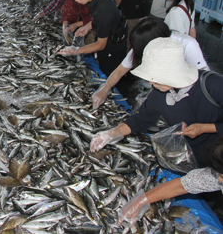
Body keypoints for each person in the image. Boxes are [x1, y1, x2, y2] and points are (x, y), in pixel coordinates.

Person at [90, 37, 223, 167]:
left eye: (156, 78)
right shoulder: (158, 95)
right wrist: (111, 133)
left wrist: (205, 128)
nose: (151, 83)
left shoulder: (213, 85)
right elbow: (140, 120)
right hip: (194, 157)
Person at [92, 17, 208, 109]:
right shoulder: (143, 45)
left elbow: (200, 78)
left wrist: (173, 90)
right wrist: (105, 89)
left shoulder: (188, 45)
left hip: (190, 94)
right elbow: (120, 70)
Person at [117, 137, 223, 227]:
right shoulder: (215, 176)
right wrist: (140, 201)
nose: (218, 179)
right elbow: (180, 186)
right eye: (219, 174)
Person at [58, 0, 127, 76]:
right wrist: (87, 26)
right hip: (110, 35)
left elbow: (100, 45)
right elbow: (98, 19)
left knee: (109, 74)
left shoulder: (103, 10)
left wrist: (76, 50)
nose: (76, 0)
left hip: (112, 48)